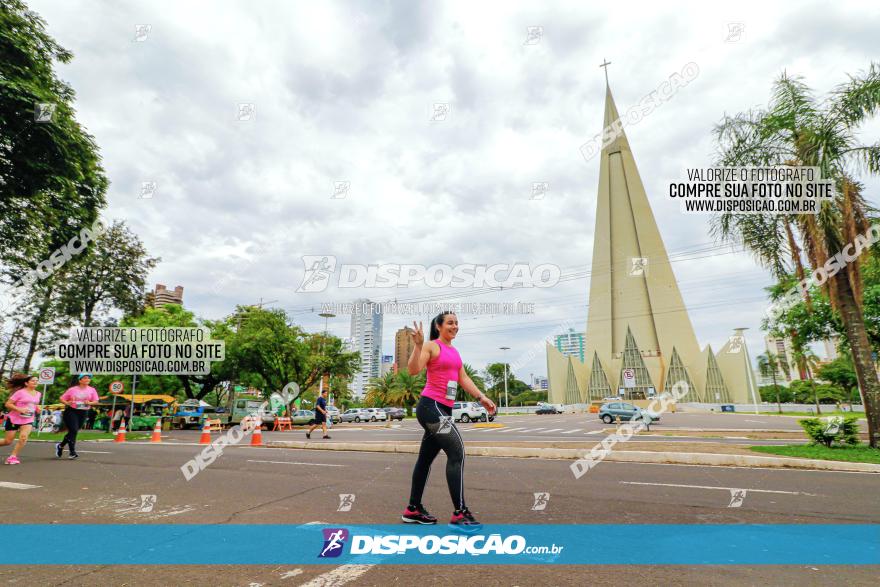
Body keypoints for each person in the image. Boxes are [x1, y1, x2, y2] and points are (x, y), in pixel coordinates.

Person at [402, 312, 496, 529]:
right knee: (457, 452)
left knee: (425, 460)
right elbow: (413, 370)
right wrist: (417, 345)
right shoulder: (431, 346)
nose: (455, 326)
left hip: (443, 409)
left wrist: (482, 398)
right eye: (450, 323)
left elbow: (463, 378)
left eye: (456, 323)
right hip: (430, 407)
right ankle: (459, 514)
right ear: (439, 326)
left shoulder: (454, 352)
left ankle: (413, 509)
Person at [56, 374, 99, 459]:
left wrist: (89, 403)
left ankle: (60, 446)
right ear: (80, 380)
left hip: (83, 412)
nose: (87, 379)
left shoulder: (92, 390)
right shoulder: (72, 390)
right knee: (74, 430)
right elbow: (61, 398)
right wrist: (67, 403)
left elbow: (96, 401)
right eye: (85, 378)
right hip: (71, 411)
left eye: (89, 378)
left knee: (73, 431)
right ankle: (72, 452)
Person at [1, 373, 41, 465]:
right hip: (14, 419)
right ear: (26, 383)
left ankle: (13, 457)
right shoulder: (20, 392)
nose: (35, 382)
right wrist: (20, 409)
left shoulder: (38, 394)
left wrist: (37, 408)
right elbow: (8, 404)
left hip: (28, 419)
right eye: (33, 380)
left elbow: (33, 404)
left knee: (23, 437)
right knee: (7, 441)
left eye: (37, 380)